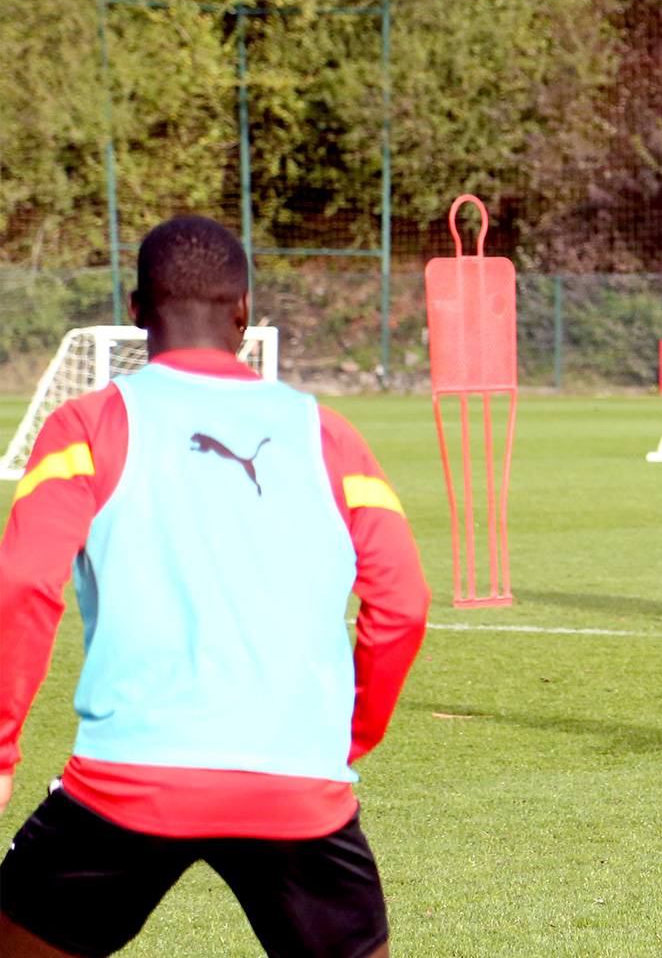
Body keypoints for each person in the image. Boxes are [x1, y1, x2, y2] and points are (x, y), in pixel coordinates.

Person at [0, 216, 430, 958]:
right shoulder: (328, 435)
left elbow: (23, 583)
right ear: (244, 314)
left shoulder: (86, 424)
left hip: (128, 783)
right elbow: (403, 605)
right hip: (299, 788)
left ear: (136, 311)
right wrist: (346, 737)